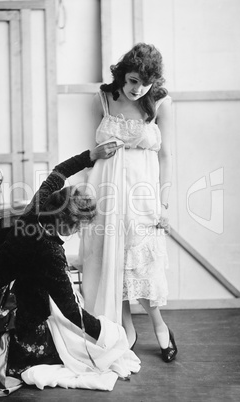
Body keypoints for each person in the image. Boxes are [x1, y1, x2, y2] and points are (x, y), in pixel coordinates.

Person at [0, 144, 140, 396]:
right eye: (80, 226)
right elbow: (72, 312)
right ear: (69, 224)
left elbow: (59, 171)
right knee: (69, 345)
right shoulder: (50, 252)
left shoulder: (36, 209)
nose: (80, 232)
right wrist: (108, 334)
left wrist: (92, 155)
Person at [78, 42, 177, 362]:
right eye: (133, 80)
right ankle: (125, 328)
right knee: (112, 260)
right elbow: (93, 153)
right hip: (105, 189)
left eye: (146, 83)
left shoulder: (160, 102)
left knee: (141, 263)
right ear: (123, 74)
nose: (138, 89)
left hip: (142, 192)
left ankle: (160, 326)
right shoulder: (103, 99)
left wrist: (162, 203)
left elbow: (166, 156)